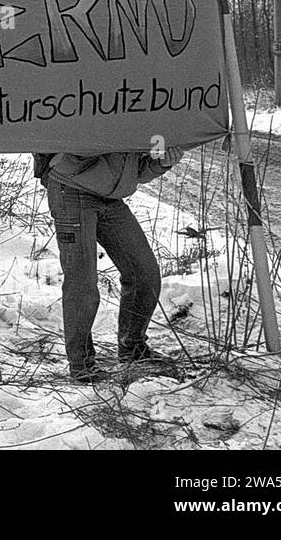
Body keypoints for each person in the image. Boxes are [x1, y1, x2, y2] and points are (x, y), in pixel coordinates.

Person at [32, 148, 185, 383]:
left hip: (110, 198)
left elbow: (136, 171)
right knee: (82, 283)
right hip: (70, 190)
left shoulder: (139, 121)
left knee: (145, 273)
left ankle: (132, 349)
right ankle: (81, 364)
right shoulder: (104, 115)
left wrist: (160, 163)